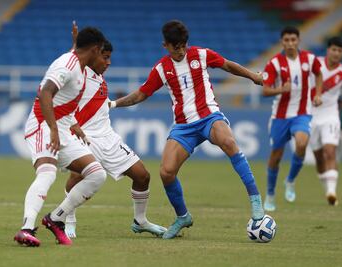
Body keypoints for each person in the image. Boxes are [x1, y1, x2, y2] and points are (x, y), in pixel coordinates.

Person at [108, 20, 267, 239]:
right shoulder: (162, 69)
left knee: (229, 143)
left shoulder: (201, 54)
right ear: (166, 45)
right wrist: (114, 104)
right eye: (176, 47)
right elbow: (141, 94)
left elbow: (228, 65)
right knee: (166, 172)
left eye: (184, 45)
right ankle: (183, 216)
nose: (181, 50)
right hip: (183, 126)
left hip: (209, 116)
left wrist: (253, 76)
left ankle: (256, 203)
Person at [64, 22, 166, 238]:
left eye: (109, 57)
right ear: (93, 55)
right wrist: (75, 44)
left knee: (142, 176)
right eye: (105, 58)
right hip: (85, 138)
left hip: (109, 138)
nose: (108, 62)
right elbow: (74, 58)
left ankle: (140, 221)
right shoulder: (79, 72)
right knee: (77, 177)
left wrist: (111, 104)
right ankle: (68, 220)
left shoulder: (100, 76)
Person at [14, 27, 107, 246]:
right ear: (94, 49)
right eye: (102, 52)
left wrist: (74, 127)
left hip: (63, 128)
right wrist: (53, 129)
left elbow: (64, 102)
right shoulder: (68, 64)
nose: (103, 57)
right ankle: (26, 229)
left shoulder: (80, 66)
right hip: (42, 125)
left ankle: (55, 219)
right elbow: (46, 92)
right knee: (47, 173)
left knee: (97, 174)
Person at [262, 26, 323, 211]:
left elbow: (319, 74)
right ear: (282, 41)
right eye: (286, 40)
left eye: (293, 40)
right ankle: (270, 193)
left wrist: (318, 94)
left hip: (302, 113)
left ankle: (290, 180)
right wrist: (281, 89)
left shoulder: (309, 59)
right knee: (276, 156)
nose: (290, 43)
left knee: (302, 143)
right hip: (280, 116)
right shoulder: (274, 63)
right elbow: (265, 90)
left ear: (298, 41)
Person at [309, 36, 342, 206]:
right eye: (333, 49)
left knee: (330, 151)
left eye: (340, 51)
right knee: (319, 157)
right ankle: (326, 188)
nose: (336, 53)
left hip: (330, 115)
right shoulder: (315, 64)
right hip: (311, 115)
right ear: (328, 50)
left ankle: (331, 192)